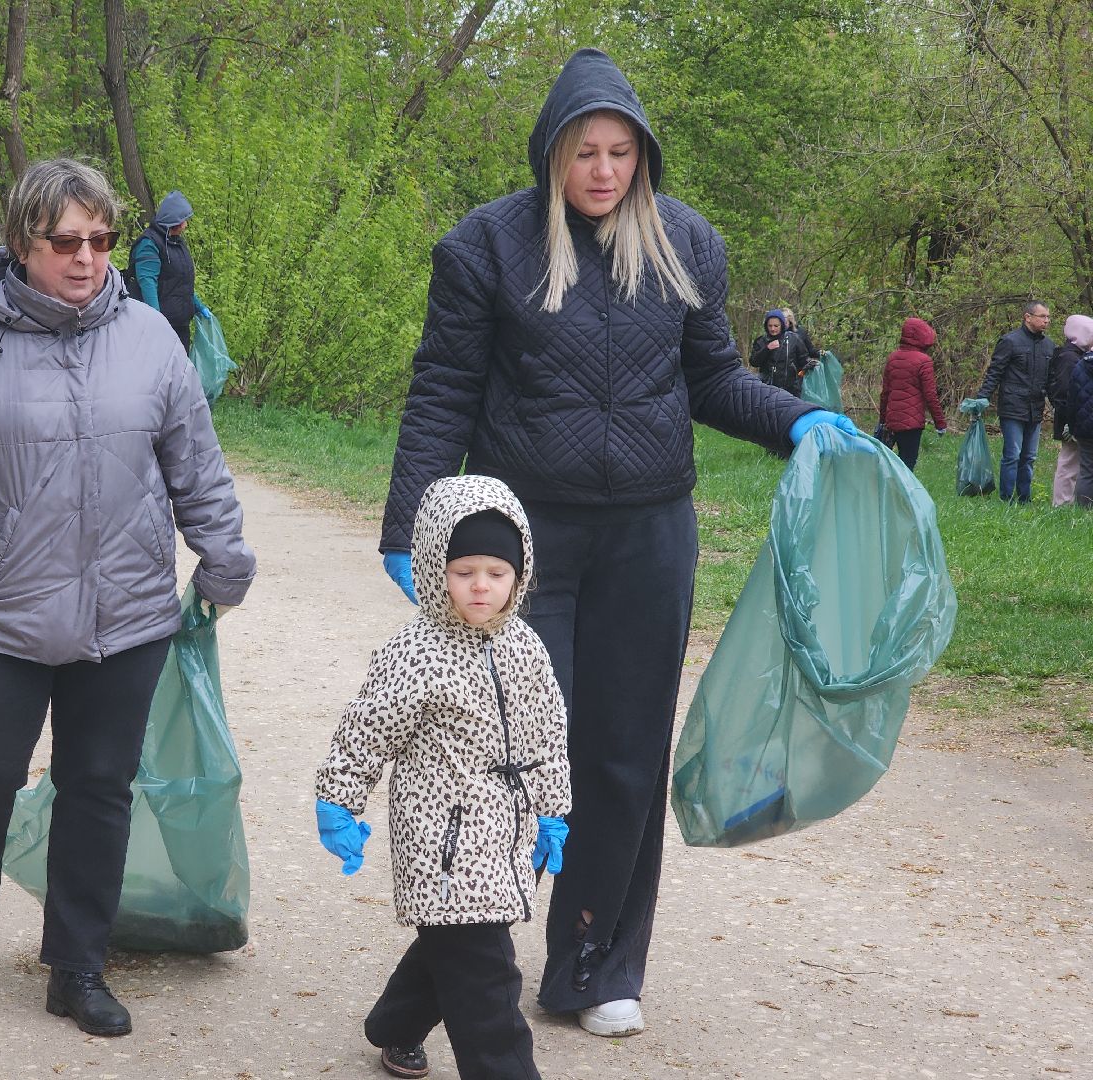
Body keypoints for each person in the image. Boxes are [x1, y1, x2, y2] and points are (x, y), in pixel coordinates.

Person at [377, 47, 855, 1040]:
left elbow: (715, 379)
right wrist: (409, 527)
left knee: (625, 757)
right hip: (522, 544)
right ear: (553, 155)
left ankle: (593, 965)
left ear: (642, 156)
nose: (603, 170)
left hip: (649, 534)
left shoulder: (686, 244)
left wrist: (795, 419)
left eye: (620, 152)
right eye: (585, 152)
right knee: (505, 759)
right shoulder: (486, 248)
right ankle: (448, 980)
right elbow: (442, 394)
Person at [0, 157, 256, 1040]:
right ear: (23, 243)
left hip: (126, 616)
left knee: (99, 787)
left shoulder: (149, 341)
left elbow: (198, 469)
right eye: (65, 241)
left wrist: (224, 563)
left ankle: (77, 965)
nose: (88, 258)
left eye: (101, 240)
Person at [317, 475, 571, 1080]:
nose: (480, 586)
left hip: (510, 828)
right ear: (435, 568)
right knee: (486, 971)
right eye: (464, 571)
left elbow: (549, 731)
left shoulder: (526, 646)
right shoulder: (417, 649)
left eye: (496, 572)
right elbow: (368, 726)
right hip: (444, 835)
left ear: (520, 574)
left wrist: (553, 809)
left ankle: (396, 1026)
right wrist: (339, 798)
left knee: (457, 942)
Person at [976, 300, 1056, 503]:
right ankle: (1006, 498)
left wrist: (1059, 406)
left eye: (1048, 317)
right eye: (1042, 316)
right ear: (1028, 317)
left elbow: (1052, 381)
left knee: (1029, 457)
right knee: (1012, 455)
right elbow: (995, 372)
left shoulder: (1049, 346)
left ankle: (1024, 498)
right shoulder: (1010, 341)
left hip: (1035, 409)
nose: (1046, 321)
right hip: (1012, 406)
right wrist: (982, 398)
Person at [126, 190, 211, 353]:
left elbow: (180, 283)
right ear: (173, 221)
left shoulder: (176, 243)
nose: (185, 225)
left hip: (180, 325)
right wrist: (157, 322)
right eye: (183, 220)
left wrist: (199, 307)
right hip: (159, 328)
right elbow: (147, 282)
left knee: (181, 375)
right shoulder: (149, 244)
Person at [877, 317, 948, 470]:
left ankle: (886, 490)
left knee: (886, 461)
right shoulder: (924, 361)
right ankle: (903, 493)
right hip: (912, 423)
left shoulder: (892, 358)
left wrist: (882, 420)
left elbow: (885, 394)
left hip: (891, 420)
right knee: (908, 463)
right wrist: (940, 423)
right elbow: (930, 395)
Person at [1050, 316, 1093, 507]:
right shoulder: (1070, 358)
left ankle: (1072, 502)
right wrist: (1069, 422)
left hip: (1078, 420)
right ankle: (1062, 502)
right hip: (1072, 420)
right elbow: (1064, 393)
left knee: (1081, 466)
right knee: (1069, 464)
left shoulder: (1081, 358)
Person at [750, 309, 812, 396]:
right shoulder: (761, 341)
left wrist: (811, 364)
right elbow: (754, 362)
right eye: (770, 325)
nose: (772, 329)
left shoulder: (793, 339)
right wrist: (767, 349)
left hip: (791, 390)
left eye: (776, 326)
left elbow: (804, 360)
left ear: (782, 325)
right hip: (767, 389)